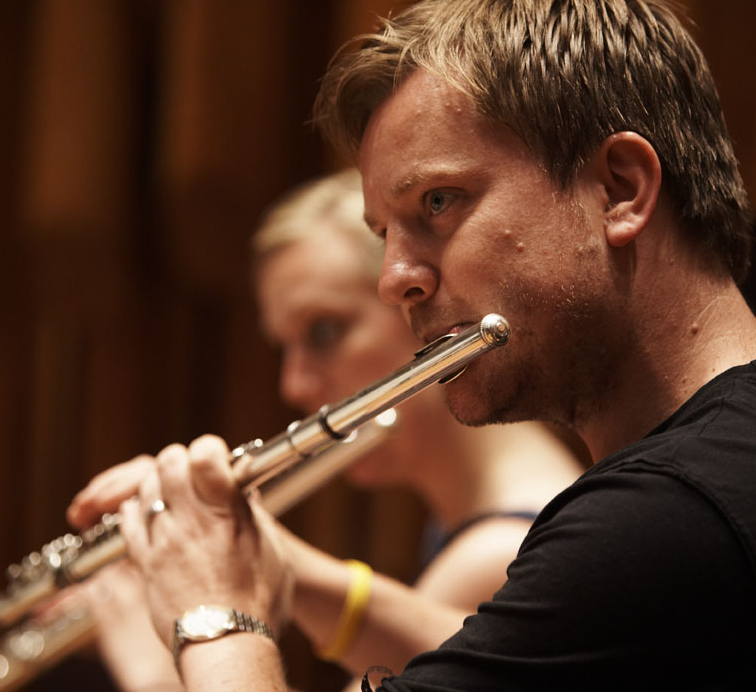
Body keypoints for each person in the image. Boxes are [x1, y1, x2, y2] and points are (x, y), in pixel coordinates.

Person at [70, 0, 756, 689]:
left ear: (619, 188)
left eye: (437, 203)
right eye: (384, 233)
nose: (394, 279)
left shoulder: (670, 517)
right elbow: (499, 655)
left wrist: (214, 609)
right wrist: (284, 568)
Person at [66, 169, 585, 689]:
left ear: (420, 307)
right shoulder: (474, 526)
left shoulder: (498, 553)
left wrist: (147, 647)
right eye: (284, 347)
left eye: (323, 331)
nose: (293, 384)